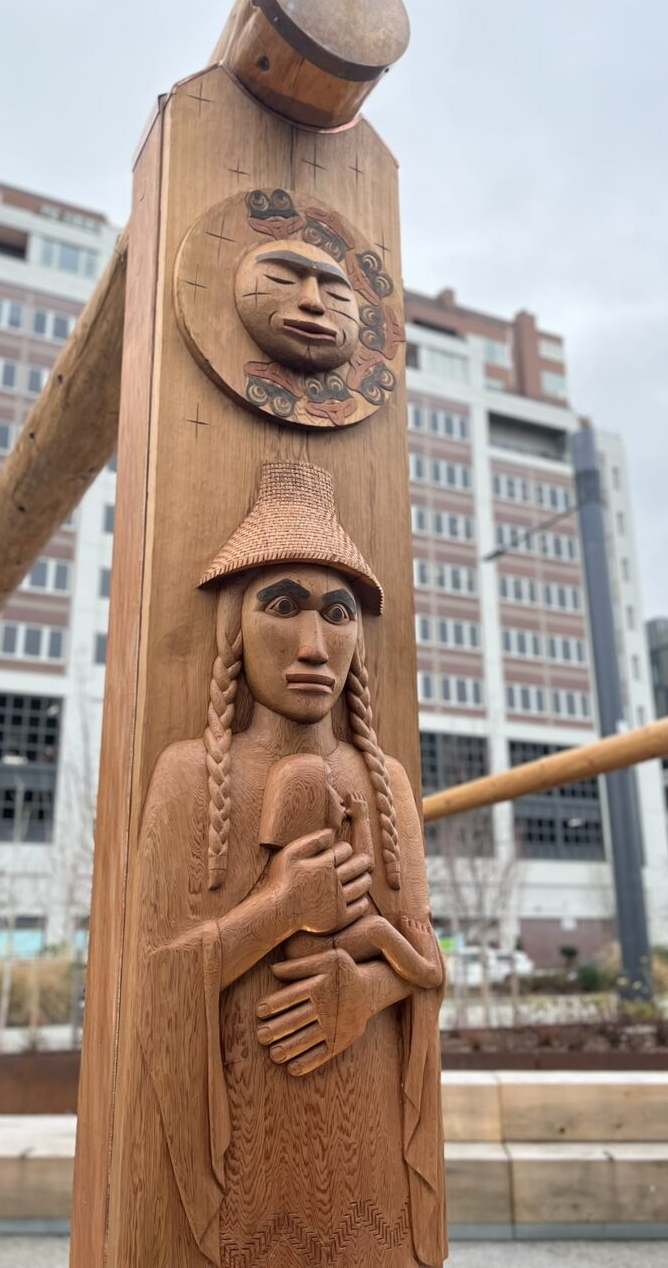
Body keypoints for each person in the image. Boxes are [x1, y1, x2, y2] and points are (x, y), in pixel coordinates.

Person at [136, 462, 446, 1266]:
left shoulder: (383, 782)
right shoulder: (188, 776)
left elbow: (428, 965)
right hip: (246, 1129)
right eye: (281, 606)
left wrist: (367, 991)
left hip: (366, 1117)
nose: (313, 646)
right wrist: (279, 909)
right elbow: (155, 978)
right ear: (233, 627)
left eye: (337, 614)